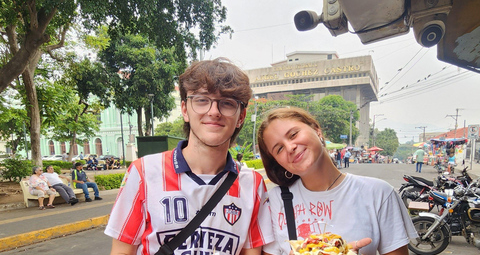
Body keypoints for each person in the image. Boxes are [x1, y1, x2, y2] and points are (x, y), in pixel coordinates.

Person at [105, 58, 274, 255]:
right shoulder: (143, 173)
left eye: (227, 103)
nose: (214, 112)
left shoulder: (252, 185)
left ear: (241, 117)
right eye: (202, 100)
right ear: (185, 110)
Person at [257, 107, 417, 255]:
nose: (290, 147)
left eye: (293, 135)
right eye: (279, 149)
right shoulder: (276, 200)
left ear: (316, 130)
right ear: (278, 162)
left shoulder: (379, 193)